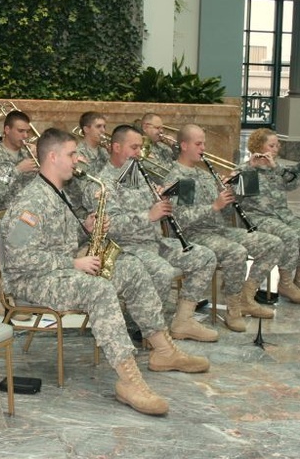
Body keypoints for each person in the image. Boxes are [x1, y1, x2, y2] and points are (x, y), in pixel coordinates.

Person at [2, 128, 209, 416]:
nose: (78, 159)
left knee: (131, 268)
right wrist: (72, 263)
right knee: (98, 290)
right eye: (72, 154)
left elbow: (57, 240)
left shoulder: (57, 192)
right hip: (33, 279)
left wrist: (85, 229)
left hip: (56, 269)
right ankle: (129, 381)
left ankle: (163, 350)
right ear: (53, 157)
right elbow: (18, 259)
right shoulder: (30, 202)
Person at [93, 124, 221, 343]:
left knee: (205, 257)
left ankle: (183, 321)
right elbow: (109, 225)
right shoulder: (103, 183)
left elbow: (153, 207)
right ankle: (146, 328)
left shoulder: (136, 174)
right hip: (126, 248)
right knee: (162, 272)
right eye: (134, 148)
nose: (139, 153)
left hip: (154, 241)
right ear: (116, 147)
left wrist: (161, 198)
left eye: (140, 148)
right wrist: (148, 215)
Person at [163, 124, 280, 330]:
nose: (203, 148)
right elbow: (182, 220)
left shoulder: (204, 175)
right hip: (194, 234)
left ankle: (246, 298)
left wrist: (231, 192)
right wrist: (214, 206)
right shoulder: (181, 177)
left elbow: (227, 211)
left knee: (272, 243)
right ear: (184, 145)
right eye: (198, 144)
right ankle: (233, 308)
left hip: (218, 230)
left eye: (204, 143)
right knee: (236, 251)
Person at [237, 129, 300, 305]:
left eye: (277, 145)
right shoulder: (246, 169)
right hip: (258, 217)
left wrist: (276, 168)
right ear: (259, 146)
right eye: (272, 145)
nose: (276, 149)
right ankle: (286, 283)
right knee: (289, 236)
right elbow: (235, 196)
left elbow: (295, 182)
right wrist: (251, 168)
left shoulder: (278, 169)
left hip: (283, 215)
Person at [0, 110, 39, 217]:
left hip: (28, 214)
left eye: (27, 131)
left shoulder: (28, 155)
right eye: (21, 131)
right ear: (7, 130)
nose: (25, 135)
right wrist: (17, 171)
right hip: (3, 216)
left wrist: (40, 157)